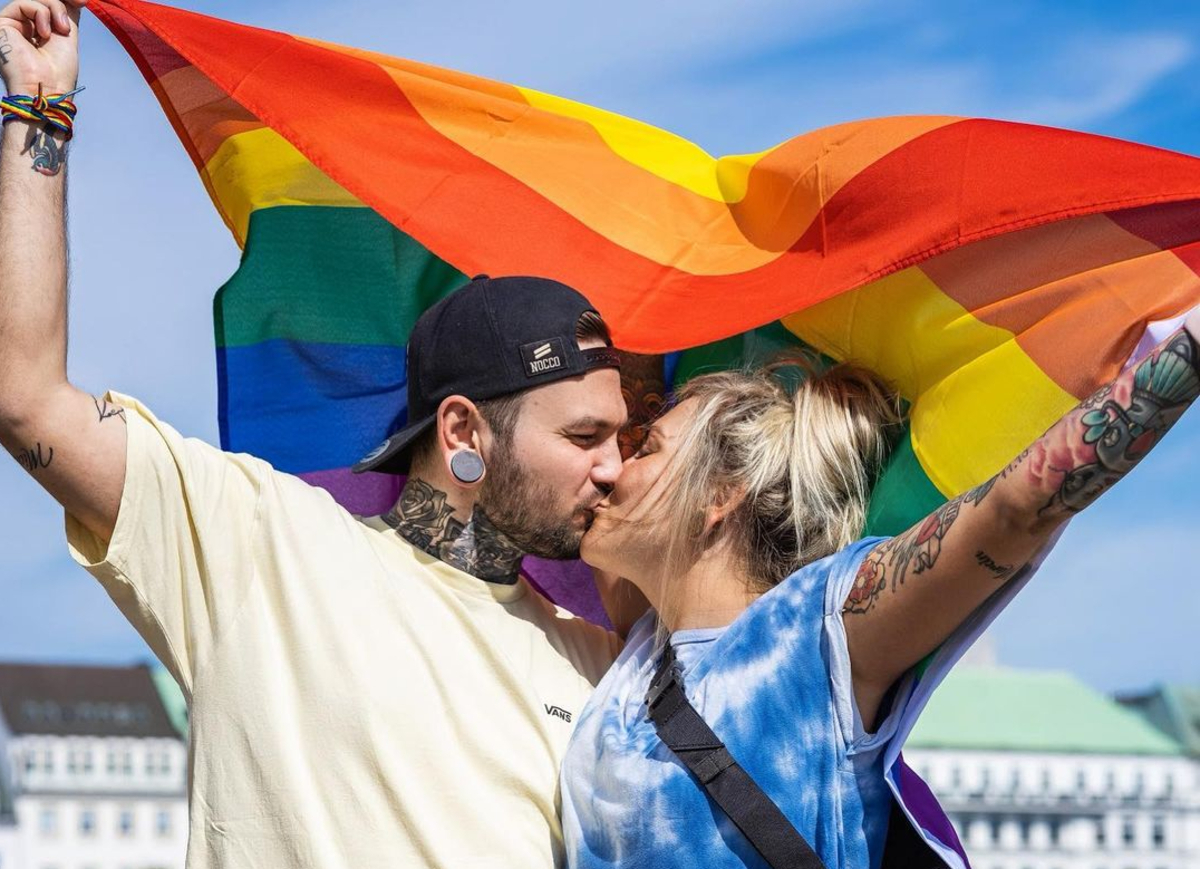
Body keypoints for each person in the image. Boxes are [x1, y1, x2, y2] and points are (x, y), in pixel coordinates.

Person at [0, 2, 639, 866]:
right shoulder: (261, 546)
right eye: (586, 436)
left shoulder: (605, 669)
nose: (614, 468)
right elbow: (26, 399)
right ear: (464, 431)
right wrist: (39, 104)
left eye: (621, 439)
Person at [561, 323, 1200, 868]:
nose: (613, 468)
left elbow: (1016, 510)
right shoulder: (645, 648)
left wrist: (1191, 351)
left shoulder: (814, 639)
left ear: (718, 497)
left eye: (646, 449)